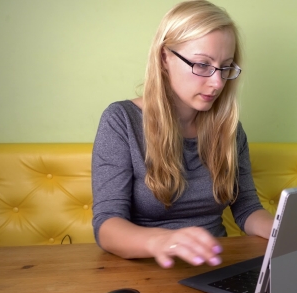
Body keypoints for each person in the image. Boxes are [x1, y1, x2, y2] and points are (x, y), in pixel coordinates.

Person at [91, 0, 274, 269]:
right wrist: (161, 241)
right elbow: (107, 225)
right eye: (202, 65)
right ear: (165, 57)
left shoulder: (228, 127)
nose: (217, 82)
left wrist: (283, 230)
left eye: (225, 67)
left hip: (215, 265)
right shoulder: (122, 120)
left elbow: (246, 208)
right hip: (147, 268)